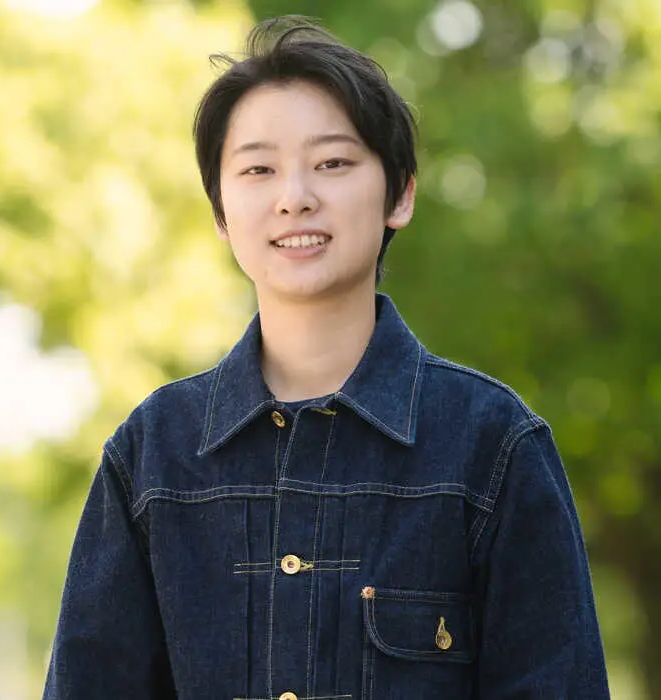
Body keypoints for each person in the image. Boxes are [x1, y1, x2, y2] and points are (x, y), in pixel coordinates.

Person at [43, 16, 610, 700]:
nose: (294, 197)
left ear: (400, 193)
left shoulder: (493, 445)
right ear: (222, 213)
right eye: (257, 169)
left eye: (333, 163)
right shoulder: (153, 455)